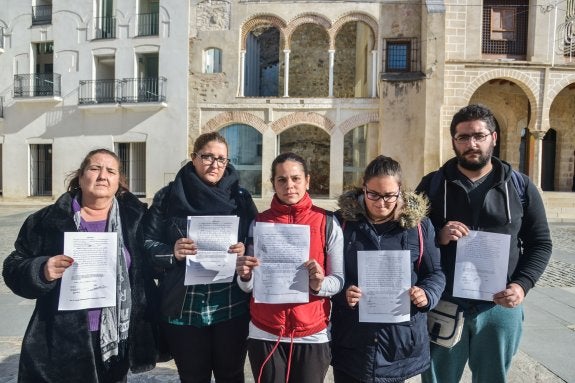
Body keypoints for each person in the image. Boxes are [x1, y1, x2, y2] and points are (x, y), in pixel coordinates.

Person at [416, 104, 553, 383]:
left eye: (479, 135)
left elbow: (540, 243)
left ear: (494, 137)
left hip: (499, 307)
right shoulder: (432, 185)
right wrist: (438, 236)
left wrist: (522, 285)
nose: (472, 144)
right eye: (463, 137)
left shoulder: (520, 187)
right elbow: (411, 240)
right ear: (453, 140)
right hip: (445, 304)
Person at [2, 148, 157, 383]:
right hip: (61, 341)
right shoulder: (48, 220)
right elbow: (13, 266)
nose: (102, 175)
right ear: (81, 176)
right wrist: (41, 270)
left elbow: (152, 265)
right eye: (94, 168)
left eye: (111, 171)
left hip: (116, 341)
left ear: (119, 182)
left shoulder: (136, 221)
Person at [144, 131, 258, 383]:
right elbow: (147, 244)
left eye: (222, 159)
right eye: (207, 156)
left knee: (231, 375)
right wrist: (171, 252)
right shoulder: (168, 196)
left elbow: (255, 242)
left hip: (230, 306)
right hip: (185, 308)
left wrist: (244, 252)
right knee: (193, 377)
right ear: (193, 157)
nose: (215, 164)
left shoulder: (240, 198)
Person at [330, 155, 445, 383]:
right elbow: (327, 276)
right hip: (352, 340)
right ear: (363, 187)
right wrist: (343, 294)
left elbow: (435, 273)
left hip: (398, 343)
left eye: (389, 196)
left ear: (400, 190)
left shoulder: (419, 226)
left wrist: (427, 294)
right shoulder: (341, 223)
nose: (381, 203)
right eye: (373, 194)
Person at [235, 152, 344, 383]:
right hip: (265, 331)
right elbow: (249, 286)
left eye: (296, 178)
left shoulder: (327, 222)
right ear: (273, 183)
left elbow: (339, 280)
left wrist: (320, 283)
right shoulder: (259, 222)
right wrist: (244, 276)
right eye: (281, 180)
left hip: (312, 333)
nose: (289, 186)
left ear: (307, 180)